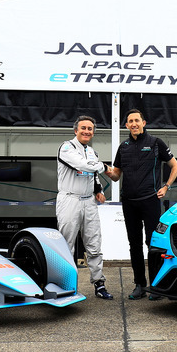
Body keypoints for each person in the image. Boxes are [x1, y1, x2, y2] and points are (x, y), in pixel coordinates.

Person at [105, 109, 177, 300]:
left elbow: (175, 166)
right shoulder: (124, 147)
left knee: (153, 243)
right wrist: (104, 169)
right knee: (134, 244)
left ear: (143, 123)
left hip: (150, 201)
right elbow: (116, 176)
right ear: (127, 125)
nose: (133, 124)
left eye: (136, 120)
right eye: (130, 121)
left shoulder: (156, 143)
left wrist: (166, 187)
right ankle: (139, 284)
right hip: (129, 203)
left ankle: (156, 285)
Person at [56, 115, 114, 300]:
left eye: (90, 128)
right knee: (66, 244)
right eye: (83, 128)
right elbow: (82, 165)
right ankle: (64, 284)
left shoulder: (92, 153)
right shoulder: (66, 148)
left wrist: (98, 190)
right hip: (69, 200)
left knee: (94, 244)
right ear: (76, 130)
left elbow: (92, 175)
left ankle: (99, 284)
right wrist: (105, 167)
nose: (87, 131)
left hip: (89, 201)